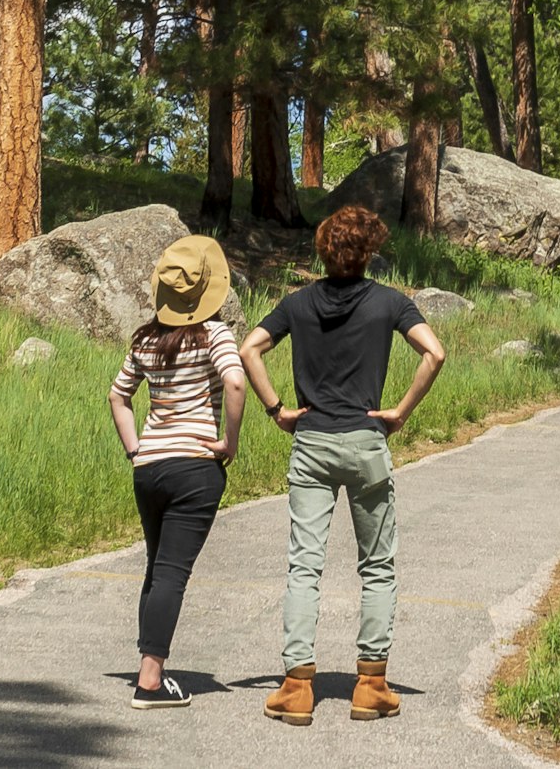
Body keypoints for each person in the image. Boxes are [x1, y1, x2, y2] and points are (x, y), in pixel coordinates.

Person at [243, 202, 446, 724]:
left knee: (304, 566)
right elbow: (435, 354)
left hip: (311, 442)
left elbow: (250, 350)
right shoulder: (389, 303)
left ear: (325, 251)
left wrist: (278, 410)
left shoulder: (297, 304)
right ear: (370, 251)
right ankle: (371, 686)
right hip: (365, 442)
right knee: (377, 566)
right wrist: (399, 412)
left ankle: (295, 688)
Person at [107, 233, 244, 707]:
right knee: (172, 573)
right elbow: (235, 381)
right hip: (194, 467)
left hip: (149, 468)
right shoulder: (215, 335)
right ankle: (150, 680)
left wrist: (135, 449)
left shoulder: (145, 339)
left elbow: (117, 396)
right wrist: (230, 440)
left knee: (156, 567)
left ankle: (149, 660)